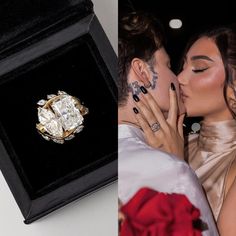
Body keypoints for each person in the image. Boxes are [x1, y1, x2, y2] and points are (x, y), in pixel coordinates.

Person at [118, 11, 218, 235]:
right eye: (169, 65)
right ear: (142, 72)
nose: (178, 79)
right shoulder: (167, 169)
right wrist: (174, 165)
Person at [136, 25, 236, 235]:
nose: (180, 78)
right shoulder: (171, 140)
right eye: (182, 66)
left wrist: (173, 170)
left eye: (199, 69)